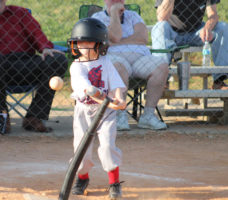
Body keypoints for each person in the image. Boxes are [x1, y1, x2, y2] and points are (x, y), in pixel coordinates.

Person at [0, 0, 68, 133]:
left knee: (57, 59)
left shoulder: (20, 13)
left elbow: (37, 34)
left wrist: (45, 48)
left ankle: (35, 116)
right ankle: (1, 115)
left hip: (26, 62)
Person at [68, 18, 126, 199]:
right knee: (81, 151)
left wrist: (119, 98)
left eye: (88, 41)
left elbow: (116, 84)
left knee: (108, 147)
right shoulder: (76, 67)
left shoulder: (106, 62)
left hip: (105, 113)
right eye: (80, 42)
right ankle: (83, 178)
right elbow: (89, 90)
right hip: (84, 112)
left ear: (99, 44)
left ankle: (114, 184)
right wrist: (106, 99)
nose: (83, 46)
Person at [92, 0, 169, 130]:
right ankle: (120, 114)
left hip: (140, 59)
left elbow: (143, 38)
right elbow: (115, 36)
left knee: (162, 66)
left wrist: (116, 42)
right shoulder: (97, 18)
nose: (117, 2)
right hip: (115, 59)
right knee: (118, 67)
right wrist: (115, 15)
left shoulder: (133, 15)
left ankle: (148, 116)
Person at [152, 0, 228, 90]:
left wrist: (208, 27)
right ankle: (161, 79)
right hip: (171, 33)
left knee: (222, 27)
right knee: (159, 27)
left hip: (196, 32)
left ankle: (219, 80)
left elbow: (213, 15)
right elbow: (161, 18)